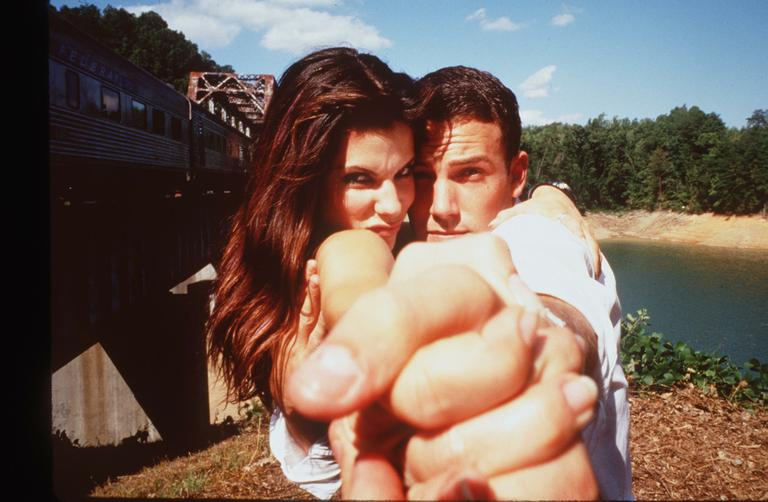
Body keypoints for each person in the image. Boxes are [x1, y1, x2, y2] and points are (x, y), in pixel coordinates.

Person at [208, 48, 600, 500]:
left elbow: (553, 288)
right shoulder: (302, 280)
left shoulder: (536, 232)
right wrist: (307, 416)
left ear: (516, 177)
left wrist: (544, 338)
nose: (398, 206)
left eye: (405, 173)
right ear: (302, 182)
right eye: (359, 178)